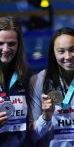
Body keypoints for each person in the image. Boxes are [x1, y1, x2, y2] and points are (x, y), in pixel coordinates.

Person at [0, 16, 32, 147]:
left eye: (11, 43)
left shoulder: (26, 75)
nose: (6, 49)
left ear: (19, 45)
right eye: (0, 43)